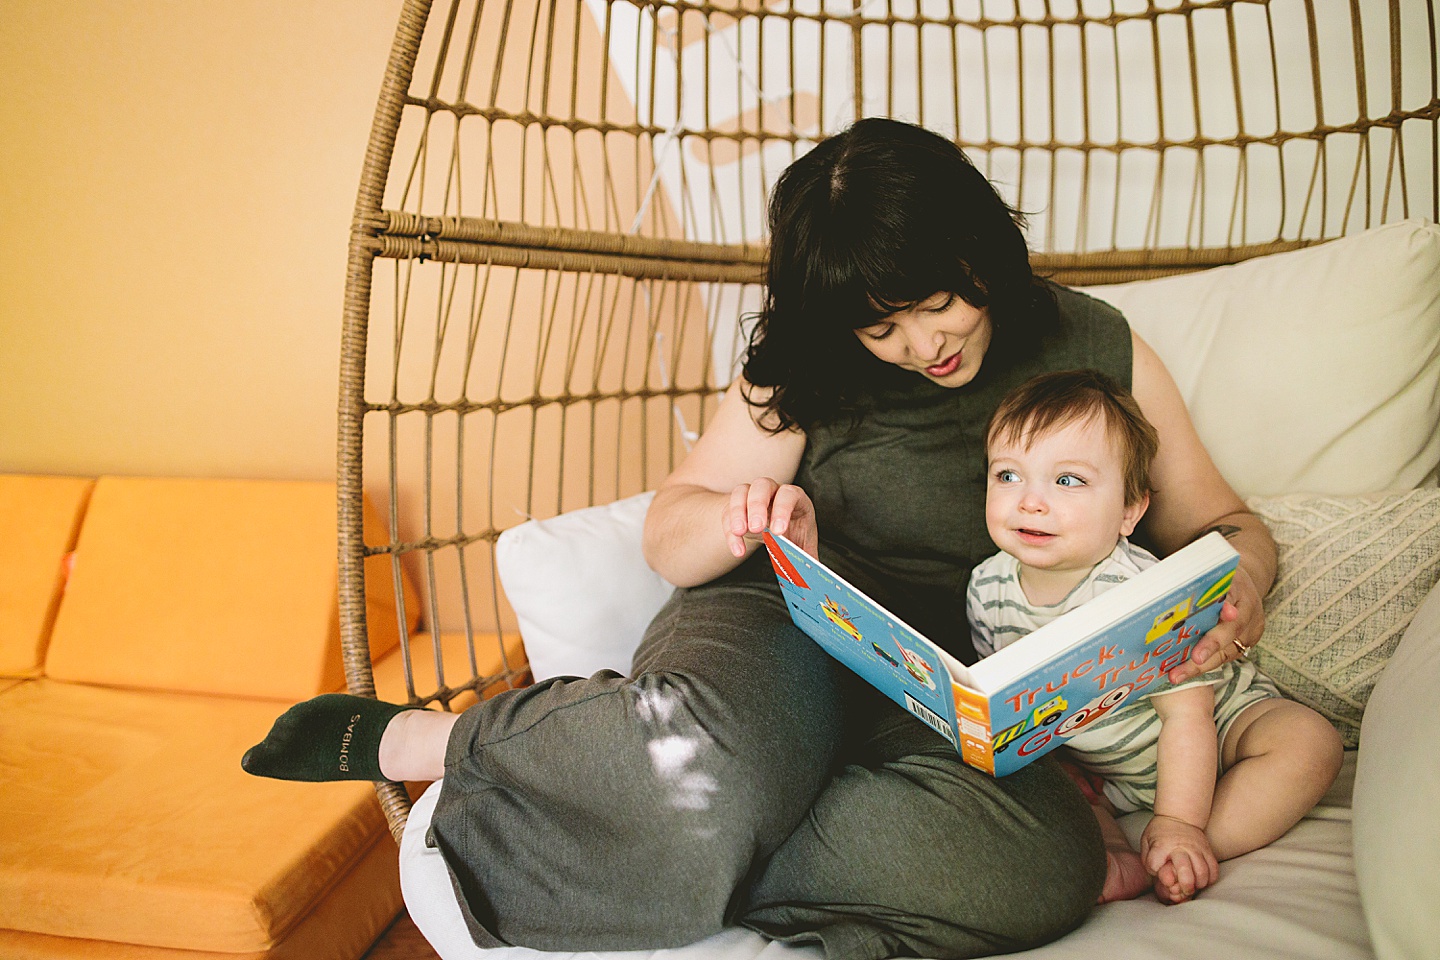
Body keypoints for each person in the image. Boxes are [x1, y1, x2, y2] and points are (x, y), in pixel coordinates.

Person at [241, 117, 1279, 959]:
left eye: (933, 304)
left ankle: (654, 801)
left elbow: (1225, 524)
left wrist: (1238, 590)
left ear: (979, 248)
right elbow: (667, 533)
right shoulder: (807, 362)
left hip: (944, 693)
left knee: (1043, 869)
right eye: (885, 329)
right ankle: (453, 743)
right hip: (784, 627)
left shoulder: (1091, 342)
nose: (925, 346)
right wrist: (750, 520)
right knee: (713, 757)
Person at [965, 370, 1344, 905]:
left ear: (1129, 511)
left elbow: (1188, 717)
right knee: (1045, 788)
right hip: (1105, 765)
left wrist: (1178, 820)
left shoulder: (1140, 590)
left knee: (1308, 744)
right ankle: (1117, 853)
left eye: (1067, 480)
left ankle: (1184, 845)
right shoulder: (986, 587)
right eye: (1008, 475)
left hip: (1220, 728)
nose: (1030, 501)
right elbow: (1007, 699)